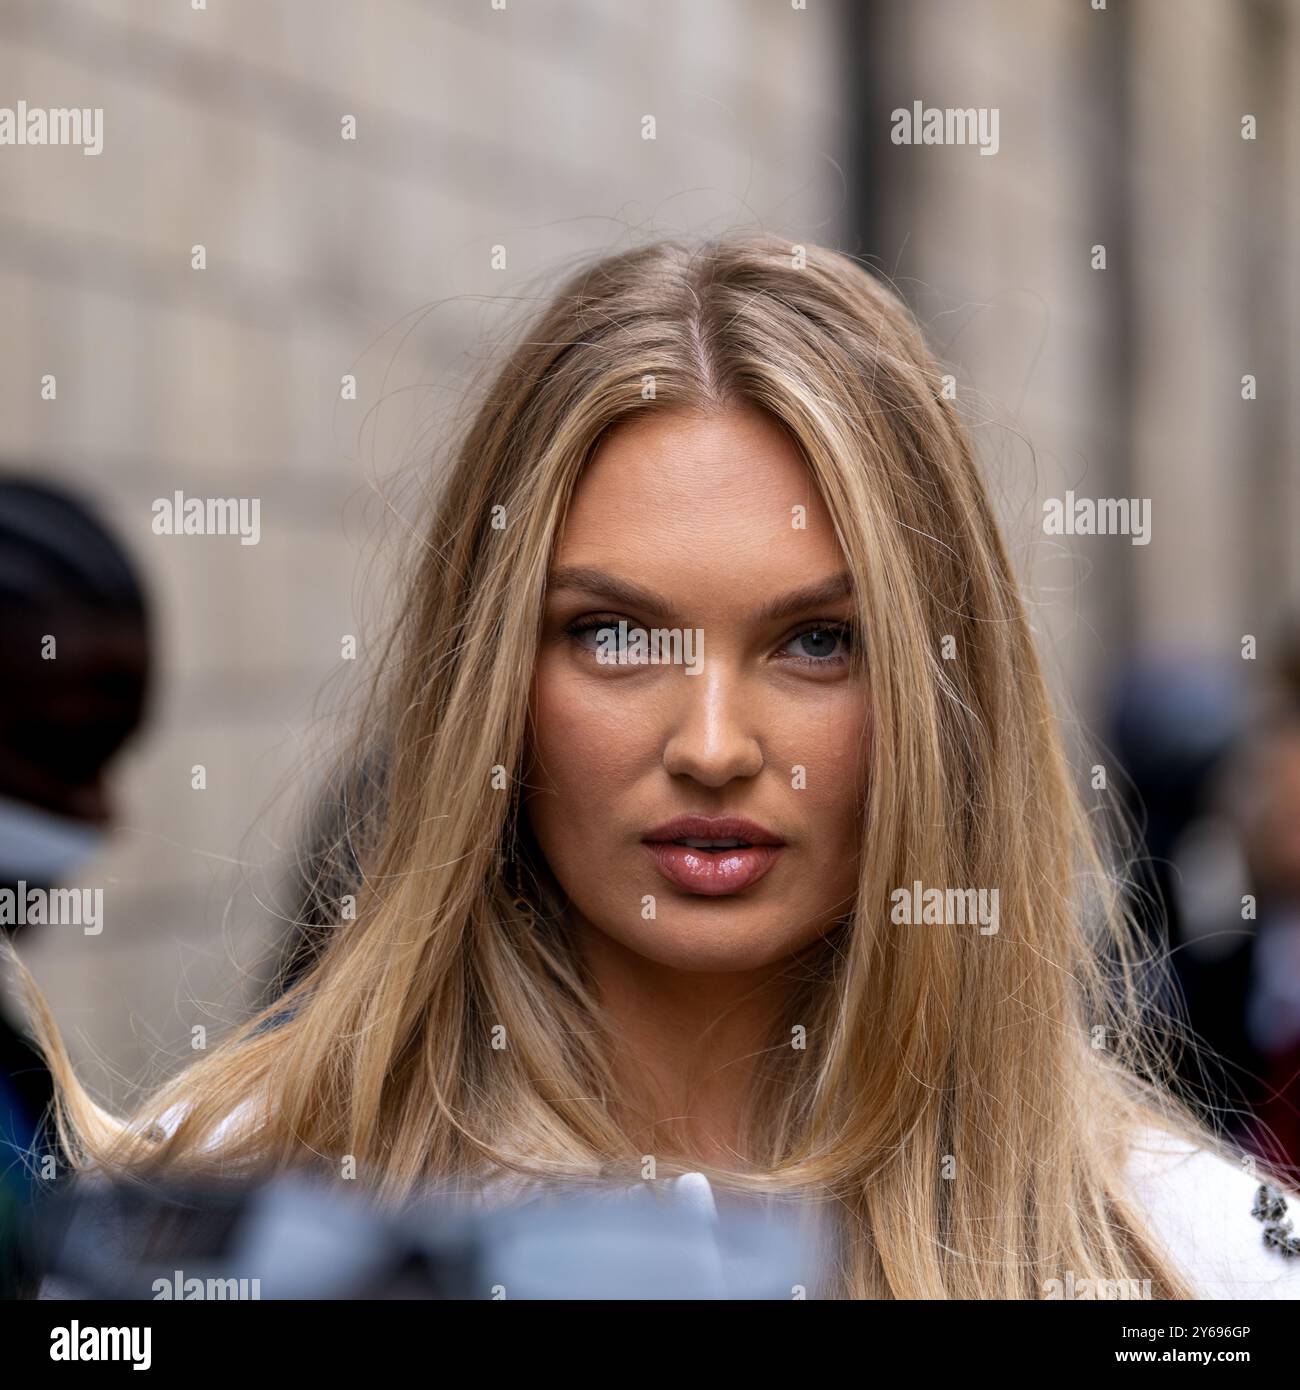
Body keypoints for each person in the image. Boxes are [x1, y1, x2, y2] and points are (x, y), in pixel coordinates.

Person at [7, 233, 1299, 1298]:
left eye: (814, 641)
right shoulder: (209, 1220)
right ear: (497, 680)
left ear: (937, 688)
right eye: (616, 636)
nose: (716, 746)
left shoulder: (1193, 1258)